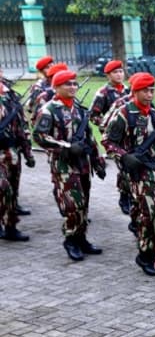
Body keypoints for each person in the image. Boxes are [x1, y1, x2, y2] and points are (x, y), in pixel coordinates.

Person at [102, 73, 155, 276]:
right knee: (148, 215)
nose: (150, 94)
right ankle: (146, 256)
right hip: (139, 172)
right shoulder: (125, 113)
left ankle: (152, 251)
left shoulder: (153, 113)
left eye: (152, 90)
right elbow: (107, 141)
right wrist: (124, 156)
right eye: (145, 91)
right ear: (135, 91)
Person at [33, 70, 106, 261]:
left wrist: (98, 161)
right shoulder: (49, 110)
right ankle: (70, 239)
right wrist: (65, 146)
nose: (73, 87)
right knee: (73, 204)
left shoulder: (80, 110)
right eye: (68, 84)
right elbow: (39, 136)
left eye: (74, 84)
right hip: (63, 165)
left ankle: (81, 238)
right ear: (56, 87)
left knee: (84, 203)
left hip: (82, 163)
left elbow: (90, 138)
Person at [90, 59, 132, 215]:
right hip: (114, 137)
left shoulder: (128, 91)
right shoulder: (104, 93)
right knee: (123, 167)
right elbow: (94, 115)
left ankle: (131, 195)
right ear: (108, 75)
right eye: (115, 72)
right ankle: (124, 196)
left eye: (121, 71)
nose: (119, 74)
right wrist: (107, 126)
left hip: (130, 136)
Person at [0, 69, 36, 241]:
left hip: (12, 151)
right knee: (3, 188)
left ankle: (10, 227)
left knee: (13, 191)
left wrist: (28, 152)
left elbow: (21, 127)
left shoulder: (10, 96)